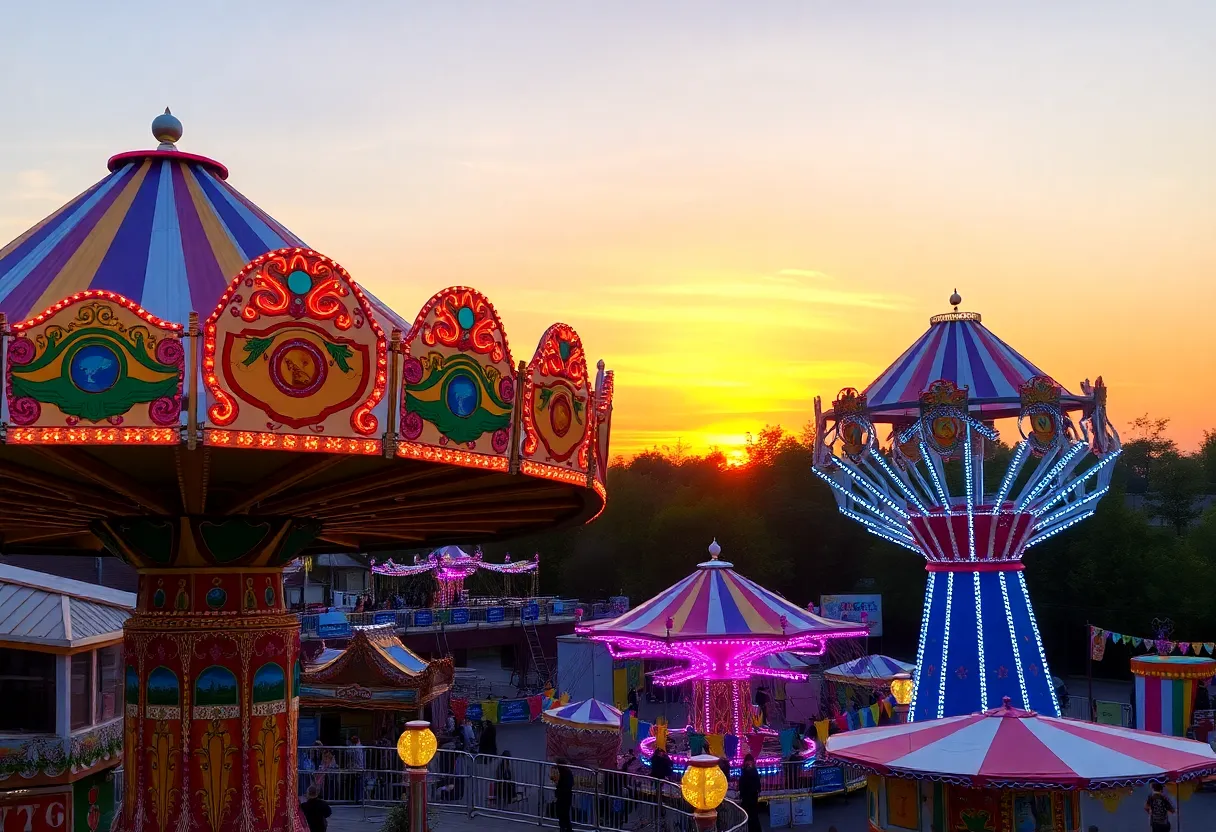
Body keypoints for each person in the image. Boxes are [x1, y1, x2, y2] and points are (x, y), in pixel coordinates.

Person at [738, 754, 762, 832]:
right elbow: (758, 784)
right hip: (753, 795)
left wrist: (741, 793)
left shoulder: (744, 771)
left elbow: (741, 783)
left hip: (746, 797)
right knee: (754, 815)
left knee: (747, 815)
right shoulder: (754, 771)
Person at [554, 757, 574, 832]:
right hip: (564, 796)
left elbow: (567, 785)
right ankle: (565, 829)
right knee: (564, 815)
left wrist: (559, 790)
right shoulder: (565, 773)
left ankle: (565, 829)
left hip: (564, 797)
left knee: (563, 814)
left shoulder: (566, 773)